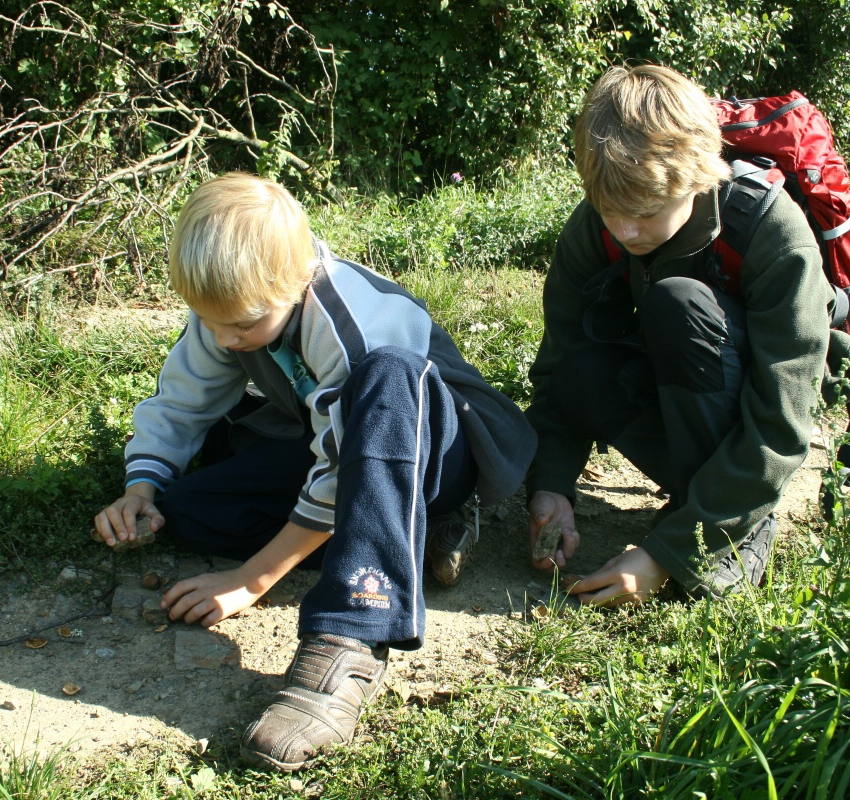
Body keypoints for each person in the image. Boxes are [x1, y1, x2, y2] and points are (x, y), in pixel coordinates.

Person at [94, 173, 536, 771]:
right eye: (210, 321)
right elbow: (182, 401)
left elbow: (344, 461)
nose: (225, 340)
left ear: (295, 281)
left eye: (242, 327)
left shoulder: (350, 322)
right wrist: (140, 487)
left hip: (437, 451)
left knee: (385, 376)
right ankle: (414, 538)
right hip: (333, 446)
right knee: (192, 509)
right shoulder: (239, 308)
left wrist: (252, 578)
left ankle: (352, 630)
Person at [524, 63, 850, 605]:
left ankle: (732, 531)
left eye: (648, 212)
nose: (626, 230)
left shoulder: (773, 230)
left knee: (678, 305)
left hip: (752, 411)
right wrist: (552, 484)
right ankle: (701, 501)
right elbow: (561, 364)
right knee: (581, 368)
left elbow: (781, 423)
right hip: (683, 383)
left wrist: (669, 551)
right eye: (611, 211)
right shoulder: (595, 227)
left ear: (699, 178)